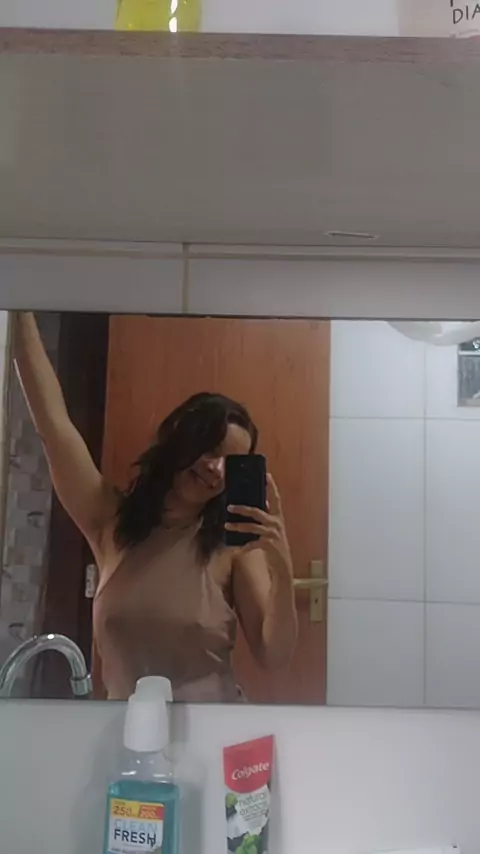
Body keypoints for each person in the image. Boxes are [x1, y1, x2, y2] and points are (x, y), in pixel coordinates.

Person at [14, 312, 298, 702]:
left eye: (231, 463)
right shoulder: (111, 520)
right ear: (180, 440)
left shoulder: (233, 546)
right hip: (125, 728)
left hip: (210, 727)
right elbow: (52, 425)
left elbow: (274, 655)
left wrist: (281, 566)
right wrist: (16, 305)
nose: (216, 470)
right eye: (210, 449)